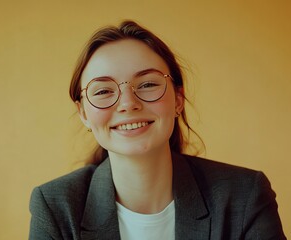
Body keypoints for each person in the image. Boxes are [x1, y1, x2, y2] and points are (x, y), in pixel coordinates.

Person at [29, 20, 286, 239]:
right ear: (84, 113)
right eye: (104, 90)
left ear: (177, 99)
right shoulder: (55, 205)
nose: (128, 104)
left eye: (148, 84)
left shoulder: (244, 196)